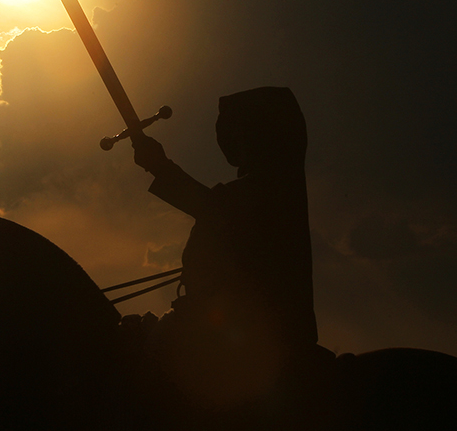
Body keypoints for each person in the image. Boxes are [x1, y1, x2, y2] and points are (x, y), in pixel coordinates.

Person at [133, 87, 327, 402]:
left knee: (146, 367)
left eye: (238, 134)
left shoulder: (268, 190)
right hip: (239, 324)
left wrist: (159, 165)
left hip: (243, 332)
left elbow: (211, 207)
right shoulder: (277, 187)